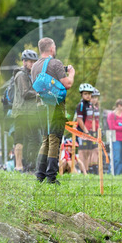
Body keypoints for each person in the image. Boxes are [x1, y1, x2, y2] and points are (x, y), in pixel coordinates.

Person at [31, 37, 75, 184]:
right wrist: (71, 73)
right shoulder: (56, 63)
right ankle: (51, 177)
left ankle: (40, 175)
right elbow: (67, 84)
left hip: (40, 106)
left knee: (46, 139)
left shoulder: (34, 66)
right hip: (55, 107)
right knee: (55, 139)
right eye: (54, 47)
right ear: (51, 48)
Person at [11, 49, 40, 172]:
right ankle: (19, 166)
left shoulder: (31, 75)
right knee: (20, 139)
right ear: (24, 62)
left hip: (31, 112)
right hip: (21, 112)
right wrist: (39, 93)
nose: (32, 64)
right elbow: (25, 93)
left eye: (34, 62)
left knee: (34, 139)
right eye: (30, 61)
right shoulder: (21, 75)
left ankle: (30, 165)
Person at [75, 83, 97, 173]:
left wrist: (93, 131)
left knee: (88, 151)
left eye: (89, 94)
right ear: (81, 94)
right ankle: (82, 171)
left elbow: (92, 119)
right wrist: (85, 131)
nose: (88, 96)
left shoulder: (91, 105)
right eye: (85, 94)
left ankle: (86, 171)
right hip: (81, 131)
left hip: (89, 131)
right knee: (82, 152)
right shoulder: (81, 105)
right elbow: (79, 120)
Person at [107, 99, 122, 175]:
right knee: (116, 158)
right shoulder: (112, 115)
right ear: (119, 106)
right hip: (116, 139)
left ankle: (120, 174)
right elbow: (112, 126)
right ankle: (112, 173)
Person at [87, 88, 101, 175]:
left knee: (96, 150)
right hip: (88, 132)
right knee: (89, 151)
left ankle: (95, 169)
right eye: (93, 97)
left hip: (95, 131)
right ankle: (89, 169)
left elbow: (97, 120)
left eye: (96, 97)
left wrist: (99, 129)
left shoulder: (96, 108)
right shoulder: (87, 107)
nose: (94, 99)